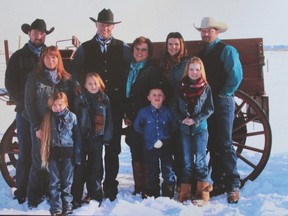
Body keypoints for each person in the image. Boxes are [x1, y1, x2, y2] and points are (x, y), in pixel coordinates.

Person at [69, 8, 132, 201]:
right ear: (96, 25)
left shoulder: (123, 47)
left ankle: (110, 186)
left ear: (113, 27)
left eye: (109, 25)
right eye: (102, 24)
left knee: (113, 148)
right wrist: (79, 89)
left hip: (114, 105)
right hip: (91, 107)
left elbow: (130, 73)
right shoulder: (85, 48)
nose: (106, 28)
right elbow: (74, 72)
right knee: (92, 148)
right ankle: (92, 186)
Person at [4, 18, 54, 204]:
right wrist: (24, 103)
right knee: (25, 151)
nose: (38, 36)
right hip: (25, 111)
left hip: (46, 112)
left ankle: (44, 189)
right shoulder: (19, 56)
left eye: (41, 33)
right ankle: (23, 189)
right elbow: (10, 83)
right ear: (29, 33)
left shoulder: (49, 55)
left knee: (45, 152)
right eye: (35, 32)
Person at [194, 17, 243, 203]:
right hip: (207, 104)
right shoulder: (202, 53)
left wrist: (224, 93)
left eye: (210, 30)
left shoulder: (226, 50)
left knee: (224, 142)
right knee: (212, 142)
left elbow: (236, 75)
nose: (206, 33)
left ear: (217, 32)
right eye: (203, 30)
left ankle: (233, 184)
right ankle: (219, 182)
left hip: (222, 102)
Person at [24, 46, 75, 208]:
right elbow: (29, 103)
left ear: (58, 59)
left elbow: (70, 104)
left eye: (54, 58)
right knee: (39, 160)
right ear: (42, 60)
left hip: (60, 128)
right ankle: (33, 196)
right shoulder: (34, 77)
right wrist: (36, 127)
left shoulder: (65, 79)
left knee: (55, 161)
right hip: (42, 125)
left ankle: (51, 192)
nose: (50, 60)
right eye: (47, 57)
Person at [171, 57, 214, 206]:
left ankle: (202, 191)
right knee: (187, 161)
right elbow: (174, 107)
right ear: (187, 71)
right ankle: (185, 190)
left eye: (197, 69)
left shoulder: (206, 88)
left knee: (200, 160)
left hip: (200, 128)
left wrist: (196, 119)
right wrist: (182, 119)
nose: (194, 72)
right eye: (191, 69)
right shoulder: (180, 87)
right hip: (184, 128)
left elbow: (210, 108)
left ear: (201, 71)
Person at [124, 36, 162, 198]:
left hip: (147, 117)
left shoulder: (152, 71)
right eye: (137, 49)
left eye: (143, 49)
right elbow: (125, 94)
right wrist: (126, 114)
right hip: (132, 117)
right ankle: (138, 186)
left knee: (147, 150)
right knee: (135, 149)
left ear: (149, 52)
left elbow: (156, 94)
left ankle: (148, 187)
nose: (140, 52)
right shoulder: (128, 69)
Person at [72, 72, 113, 208]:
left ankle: (95, 195)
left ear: (100, 84)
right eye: (90, 83)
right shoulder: (80, 99)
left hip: (97, 137)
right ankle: (76, 196)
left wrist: (106, 137)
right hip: (82, 138)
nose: (93, 86)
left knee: (96, 167)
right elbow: (74, 119)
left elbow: (109, 121)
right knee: (80, 167)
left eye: (95, 83)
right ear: (85, 85)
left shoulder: (104, 99)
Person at [39, 92, 81, 216]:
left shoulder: (72, 117)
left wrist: (78, 156)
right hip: (53, 154)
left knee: (67, 182)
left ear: (66, 104)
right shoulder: (48, 118)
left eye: (60, 104)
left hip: (68, 154)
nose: (58, 107)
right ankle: (56, 206)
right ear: (50, 106)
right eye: (55, 105)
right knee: (54, 182)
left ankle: (67, 204)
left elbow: (77, 138)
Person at [133, 85, 177, 198]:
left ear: (164, 97)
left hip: (165, 144)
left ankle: (168, 191)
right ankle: (153, 192)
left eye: (160, 95)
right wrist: (147, 135)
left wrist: (167, 135)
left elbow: (174, 125)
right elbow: (137, 126)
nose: (157, 97)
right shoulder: (143, 112)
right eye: (154, 95)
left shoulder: (167, 112)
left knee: (167, 168)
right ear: (148, 97)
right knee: (152, 169)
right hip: (150, 145)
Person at [159, 32, 189, 192]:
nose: (173, 47)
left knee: (181, 147)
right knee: (168, 146)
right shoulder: (163, 63)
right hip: (166, 109)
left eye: (176, 44)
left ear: (181, 45)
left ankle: (183, 183)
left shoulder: (186, 63)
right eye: (170, 44)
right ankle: (170, 181)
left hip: (181, 109)